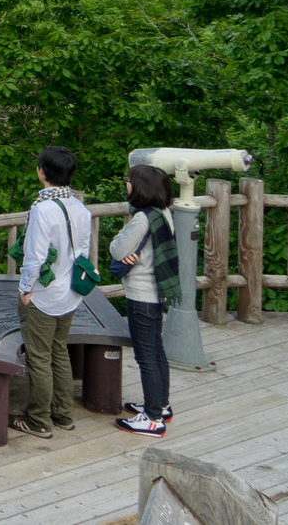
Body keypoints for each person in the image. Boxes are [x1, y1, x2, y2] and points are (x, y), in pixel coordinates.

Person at [12, 145, 94, 439]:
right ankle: (63, 414)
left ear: (42, 172)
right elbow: (83, 251)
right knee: (59, 351)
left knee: (39, 357)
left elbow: (34, 256)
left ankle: (38, 420)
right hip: (70, 292)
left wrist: (25, 290)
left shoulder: (42, 210)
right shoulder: (80, 208)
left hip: (44, 296)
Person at [109, 163, 178, 437]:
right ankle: (161, 405)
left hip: (141, 294)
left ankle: (151, 419)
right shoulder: (163, 213)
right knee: (156, 350)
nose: (126, 184)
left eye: (129, 181)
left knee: (146, 355)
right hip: (157, 291)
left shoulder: (141, 219)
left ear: (140, 187)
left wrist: (120, 244)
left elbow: (117, 249)